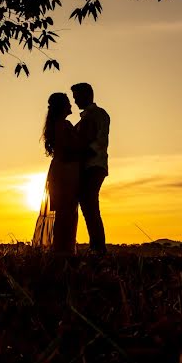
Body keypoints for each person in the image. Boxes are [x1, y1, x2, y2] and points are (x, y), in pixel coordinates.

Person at [34, 92, 87, 254]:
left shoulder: (56, 125)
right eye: (68, 103)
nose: (71, 105)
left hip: (59, 170)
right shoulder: (64, 125)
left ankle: (61, 250)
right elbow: (71, 148)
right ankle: (64, 251)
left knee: (64, 213)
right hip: (66, 170)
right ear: (62, 107)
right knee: (67, 212)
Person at [71, 82, 110, 254]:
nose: (75, 101)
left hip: (94, 165)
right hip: (91, 165)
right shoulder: (87, 117)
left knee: (89, 204)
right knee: (88, 204)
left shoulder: (97, 115)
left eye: (77, 97)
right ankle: (96, 245)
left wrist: (81, 152)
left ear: (87, 95)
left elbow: (96, 142)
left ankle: (98, 247)